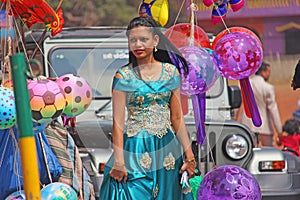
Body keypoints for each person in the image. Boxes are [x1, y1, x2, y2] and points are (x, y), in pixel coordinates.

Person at [99, 16, 196, 199]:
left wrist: (189, 155)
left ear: (156, 40)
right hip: (135, 149)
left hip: (167, 149)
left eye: (143, 39)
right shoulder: (123, 76)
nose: (138, 45)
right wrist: (119, 161)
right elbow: (118, 124)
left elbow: (176, 117)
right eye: (133, 40)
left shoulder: (170, 72)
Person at [239, 61, 282, 146]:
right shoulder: (268, 88)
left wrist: (234, 120)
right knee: (269, 153)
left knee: (250, 153)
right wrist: (279, 130)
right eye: (268, 72)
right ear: (263, 72)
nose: (269, 74)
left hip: (248, 125)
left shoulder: (246, 84)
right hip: (265, 126)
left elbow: (238, 104)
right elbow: (273, 109)